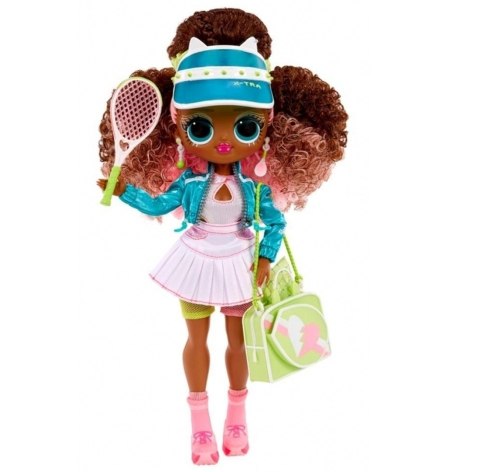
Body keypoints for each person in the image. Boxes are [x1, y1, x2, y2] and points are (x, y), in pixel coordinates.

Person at [98, 8, 348, 465]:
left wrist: (266, 257)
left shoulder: (255, 187)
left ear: (268, 127)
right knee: (196, 339)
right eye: (201, 127)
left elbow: (275, 223)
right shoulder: (191, 183)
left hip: (240, 263)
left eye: (246, 126)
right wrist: (122, 192)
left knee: (240, 339)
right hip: (194, 260)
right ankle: (199, 425)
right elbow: (159, 204)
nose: (225, 141)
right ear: (178, 126)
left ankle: (237, 416)